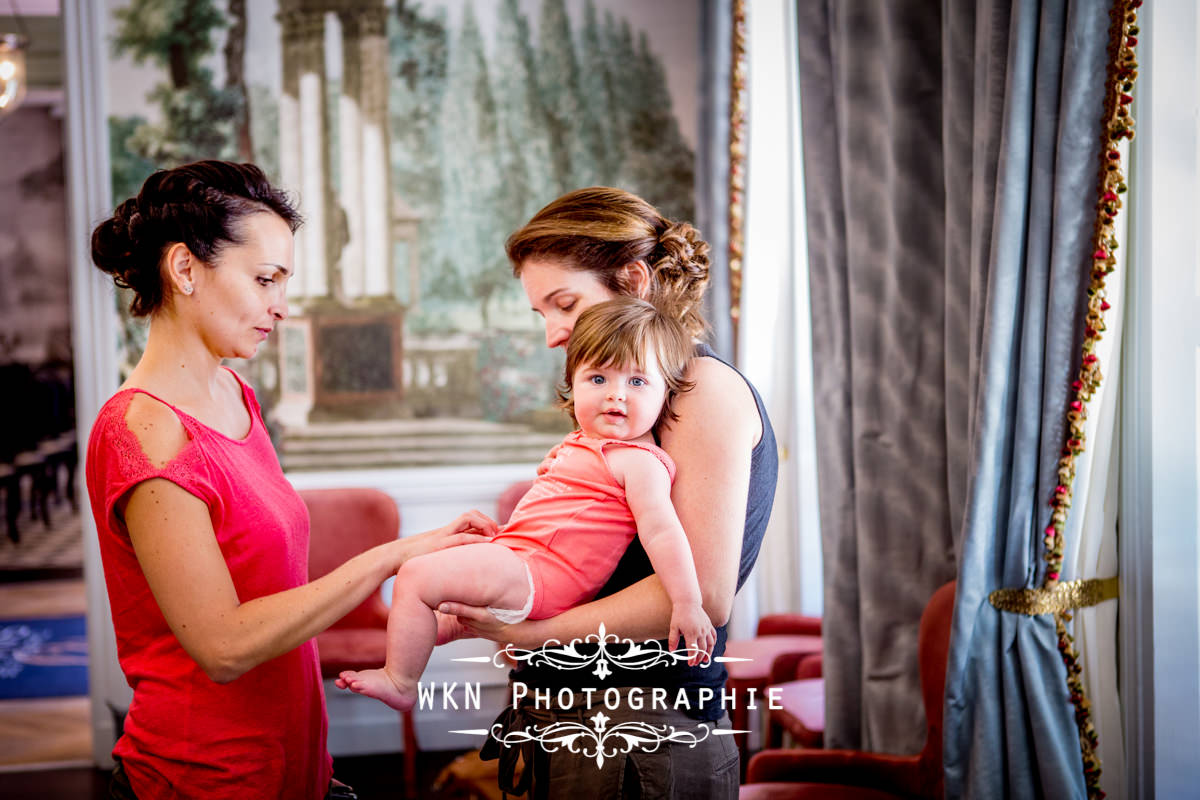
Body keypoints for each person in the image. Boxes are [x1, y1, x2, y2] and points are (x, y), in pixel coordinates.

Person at [85, 160, 493, 800]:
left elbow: (271, 586)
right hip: (206, 777)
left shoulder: (235, 394)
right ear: (186, 269)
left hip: (293, 760)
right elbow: (223, 646)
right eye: (265, 279)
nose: (280, 306)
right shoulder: (142, 430)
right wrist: (389, 557)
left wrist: (425, 615)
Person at [436, 187, 779, 799]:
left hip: (641, 735)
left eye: (562, 304)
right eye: (541, 314)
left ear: (633, 279)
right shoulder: (635, 403)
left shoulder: (702, 390)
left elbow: (703, 594)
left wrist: (534, 636)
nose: (552, 335)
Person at [336, 297, 718, 712]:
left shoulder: (641, 463)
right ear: (573, 383)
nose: (616, 395)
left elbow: (662, 530)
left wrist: (686, 602)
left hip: (542, 573)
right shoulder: (587, 444)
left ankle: (401, 680)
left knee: (414, 575)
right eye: (598, 379)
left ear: (666, 393)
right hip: (525, 558)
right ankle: (440, 626)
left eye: (637, 382)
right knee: (441, 584)